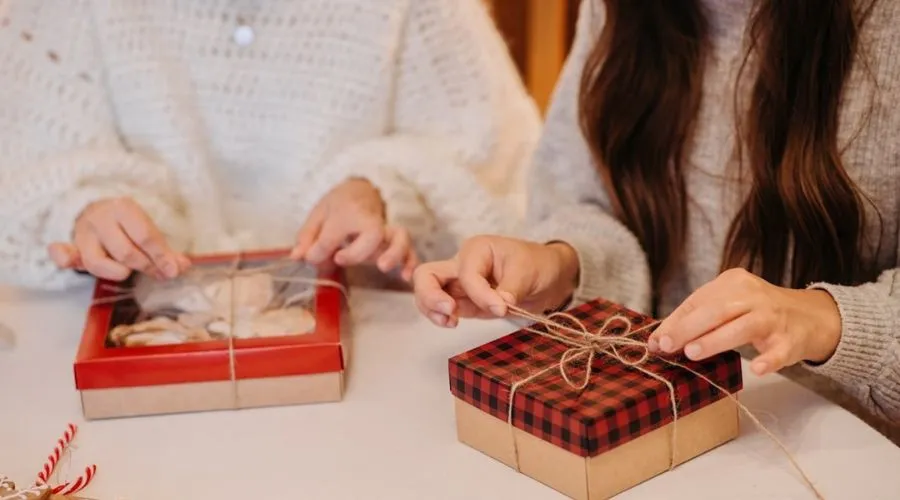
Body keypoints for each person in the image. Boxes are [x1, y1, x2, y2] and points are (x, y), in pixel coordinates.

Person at [413, 0, 900, 424]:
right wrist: (561, 263)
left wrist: (824, 320)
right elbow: (583, 200)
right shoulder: (616, 11)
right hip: (661, 425)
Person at [0, 0, 540, 289]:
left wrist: (380, 191)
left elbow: (499, 170)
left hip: (371, 343)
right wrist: (83, 214)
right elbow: (28, 169)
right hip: (131, 350)